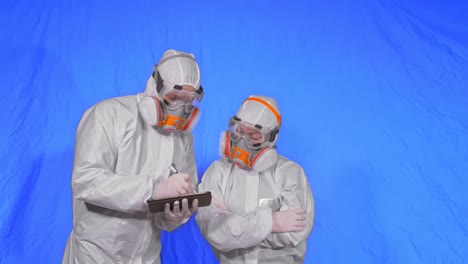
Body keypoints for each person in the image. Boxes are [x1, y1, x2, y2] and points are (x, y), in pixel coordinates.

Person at [62, 49, 204, 264]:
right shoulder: (107, 115)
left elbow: (168, 215)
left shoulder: (183, 138)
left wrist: (175, 214)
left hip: (147, 256)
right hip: (94, 256)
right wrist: (153, 190)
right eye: (173, 97)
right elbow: (85, 181)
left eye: (188, 101)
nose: (179, 109)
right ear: (154, 87)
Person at [196, 95, 314, 263]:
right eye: (239, 131)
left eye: (254, 135)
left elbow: (295, 232)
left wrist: (233, 224)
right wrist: (273, 222)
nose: (243, 141)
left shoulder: (291, 174)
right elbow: (214, 231)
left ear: (271, 138)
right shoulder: (217, 172)